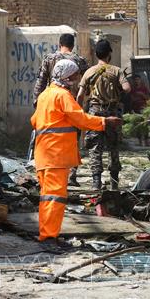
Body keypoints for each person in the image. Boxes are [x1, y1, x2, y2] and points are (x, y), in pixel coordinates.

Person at [31, 59, 121, 242]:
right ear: (67, 76)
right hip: (56, 155)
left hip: (43, 154)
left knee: (47, 197)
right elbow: (80, 119)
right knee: (54, 198)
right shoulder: (62, 96)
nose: (78, 77)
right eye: (75, 74)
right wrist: (104, 122)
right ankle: (48, 237)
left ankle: (46, 233)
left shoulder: (44, 95)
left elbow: (34, 121)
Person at [32, 33, 88, 186]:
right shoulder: (80, 61)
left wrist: (37, 104)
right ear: (73, 45)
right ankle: (71, 175)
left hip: (51, 106)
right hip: (72, 105)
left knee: (49, 139)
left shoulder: (49, 59)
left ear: (59, 44)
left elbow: (41, 81)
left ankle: (48, 171)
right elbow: (86, 83)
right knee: (73, 141)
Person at [77, 39, 131, 190]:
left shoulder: (89, 72)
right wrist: (117, 91)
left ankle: (96, 183)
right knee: (113, 147)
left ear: (96, 54)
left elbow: (80, 95)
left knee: (95, 148)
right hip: (112, 112)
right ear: (109, 54)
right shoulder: (116, 70)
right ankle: (114, 183)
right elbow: (127, 88)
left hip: (94, 113)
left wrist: (79, 112)